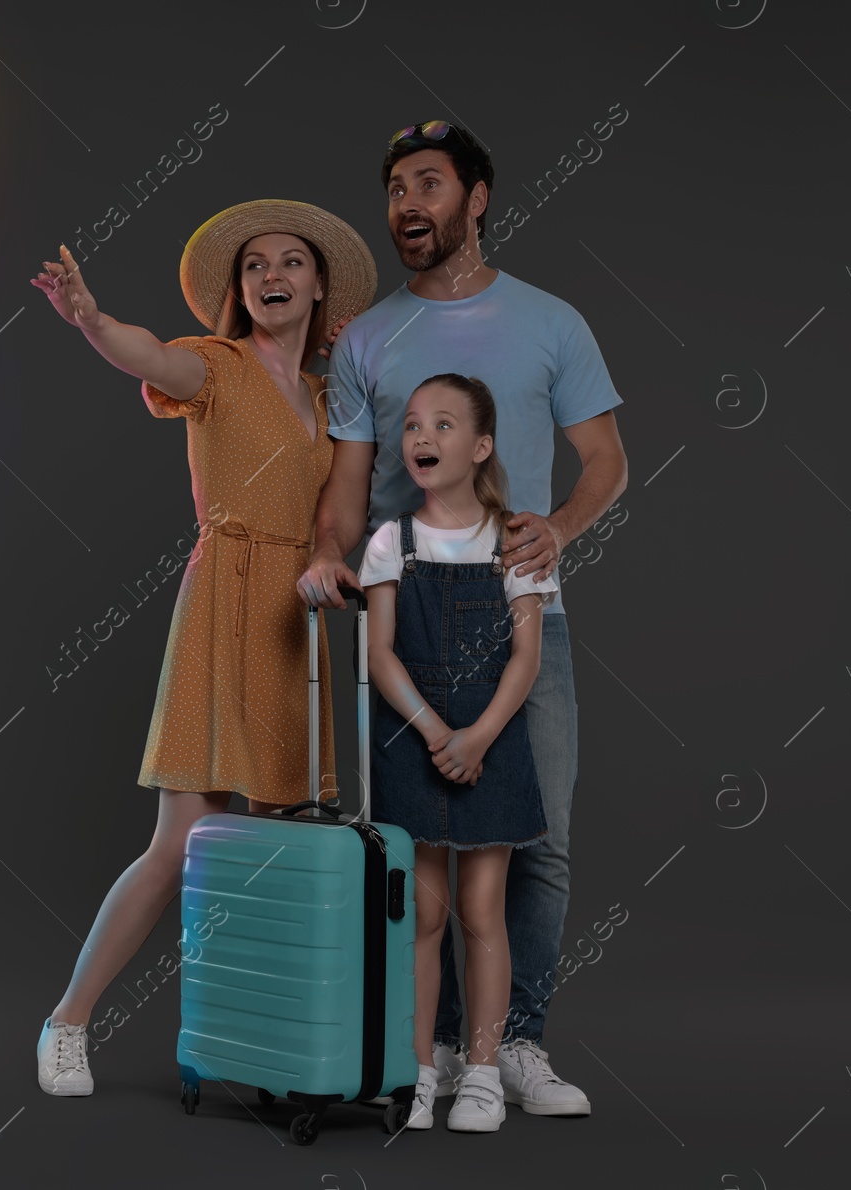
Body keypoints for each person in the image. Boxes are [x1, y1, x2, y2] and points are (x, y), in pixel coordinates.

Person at [298, 121, 628, 1117]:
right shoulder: (365, 337)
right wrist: (326, 553)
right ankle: (428, 1052)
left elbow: (605, 461)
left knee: (541, 839)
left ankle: (512, 1043)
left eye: (428, 184)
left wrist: (558, 529)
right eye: (395, 186)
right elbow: (349, 489)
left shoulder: (551, 322)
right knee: (416, 852)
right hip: (409, 625)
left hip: (525, 617)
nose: (406, 204)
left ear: (475, 197)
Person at [28, 200, 376, 1096]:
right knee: (182, 840)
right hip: (224, 597)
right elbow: (149, 355)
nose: (271, 276)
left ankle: (252, 1039)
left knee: (268, 841)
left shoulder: (337, 396)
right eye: (255, 264)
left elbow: (351, 499)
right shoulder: (216, 366)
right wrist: (93, 321)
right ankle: (68, 1020)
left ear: (319, 284)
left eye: (291, 262)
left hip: (293, 613)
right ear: (238, 288)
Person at [361, 374, 555, 1131]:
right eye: (413, 425)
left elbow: (526, 661)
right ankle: (416, 1070)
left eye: (443, 426)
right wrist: (436, 733)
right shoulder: (389, 542)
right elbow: (380, 655)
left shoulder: (517, 541)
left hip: (493, 745)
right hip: (413, 745)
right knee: (423, 920)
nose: (422, 438)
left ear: (480, 447)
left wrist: (474, 737)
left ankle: (480, 1071)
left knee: (483, 915)